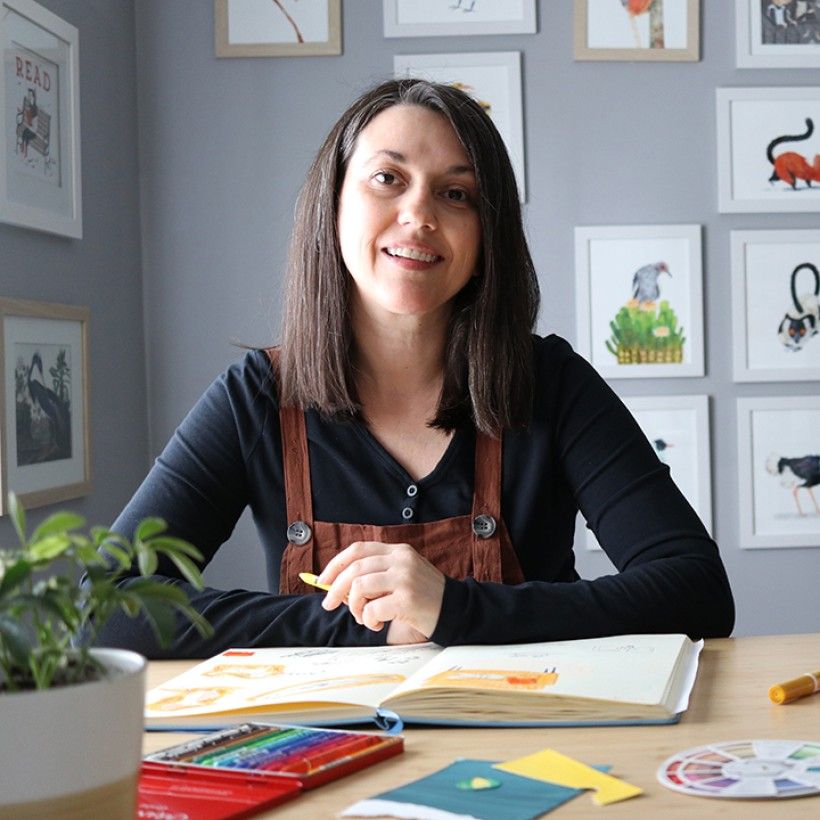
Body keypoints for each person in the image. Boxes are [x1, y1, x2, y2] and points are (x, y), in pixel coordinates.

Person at [95, 79, 734, 658]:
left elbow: (697, 591)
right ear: (333, 206)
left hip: (532, 754)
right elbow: (105, 604)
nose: (420, 215)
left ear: (487, 240)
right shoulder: (256, 397)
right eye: (388, 179)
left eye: (457, 194)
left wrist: (452, 607)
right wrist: (363, 625)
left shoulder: (552, 384)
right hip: (330, 756)